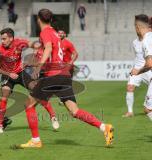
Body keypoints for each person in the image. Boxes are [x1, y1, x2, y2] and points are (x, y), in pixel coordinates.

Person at [17, 9, 114, 148]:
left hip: (53, 76)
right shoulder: (56, 34)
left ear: (38, 20)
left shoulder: (45, 32)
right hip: (64, 76)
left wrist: (38, 67)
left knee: (29, 105)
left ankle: (35, 140)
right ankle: (104, 127)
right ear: (50, 20)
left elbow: (49, 49)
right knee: (75, 111)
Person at [0, 28, 59, 133]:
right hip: (7, 75)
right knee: (4, 96)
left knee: (37, 90)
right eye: (1, 39)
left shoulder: (19, 43)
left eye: (4, 39)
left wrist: (43, 46)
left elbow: (34, 45)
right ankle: (0, 125)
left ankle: (53, 117)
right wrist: (9, 74)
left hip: (20, 72)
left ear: (11, 38)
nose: (2, 41)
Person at [123, 23, 152, 118]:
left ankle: (149, 106)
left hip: (147, 69)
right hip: (137, 69)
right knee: (130, 87)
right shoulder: (134, 42)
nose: (137, 30)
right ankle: (130, 112)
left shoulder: (148, 40)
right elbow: (137, 57)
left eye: (138, 28)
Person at [131, 14, 152, 121]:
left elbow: (149, 64)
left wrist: (138, 71)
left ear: (137, 27)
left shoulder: (146, 41)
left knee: (148, 109)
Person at [57, 30, 79, 105]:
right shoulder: (56, 43)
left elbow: (75, 54)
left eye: (62, 33)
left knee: (67, 85)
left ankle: (72, 101)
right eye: (59, 33)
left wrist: (70, 63)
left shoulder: (68, 43)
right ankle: (63, 99)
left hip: (68, 68)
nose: (60, 34)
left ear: (65, 35)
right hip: (59, 68)